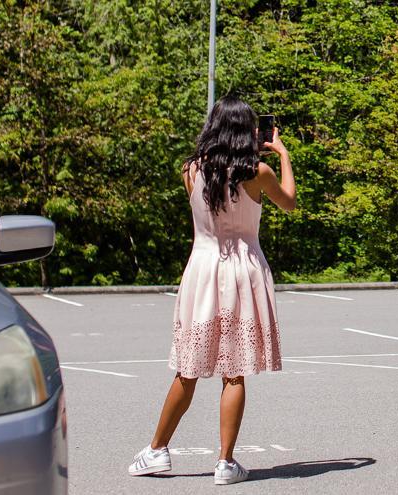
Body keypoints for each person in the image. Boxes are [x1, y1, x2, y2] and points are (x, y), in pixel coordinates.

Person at [128, 96, 296, 484]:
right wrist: (283, 153)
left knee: (188, 368)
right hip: (244, 271)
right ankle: (225, 462)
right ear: (245, 132)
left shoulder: (190, 170)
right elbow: (289, 203)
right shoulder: (260, 172)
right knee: (234, 373)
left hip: (202, 269)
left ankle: (156, 450)